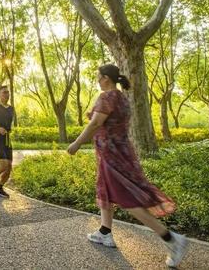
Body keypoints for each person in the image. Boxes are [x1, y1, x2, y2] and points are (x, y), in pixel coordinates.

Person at [67, 64, 188, 267]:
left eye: (99, 76)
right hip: (121, 153)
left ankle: (172, 239)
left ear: (106, 78)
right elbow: (110, 121)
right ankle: (105, 232)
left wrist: (76, 144)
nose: (97, 80)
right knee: (105, 191)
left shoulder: (106, 97)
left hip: (112, 155)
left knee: (127, 200)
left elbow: (95, 124)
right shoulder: (122, 98)